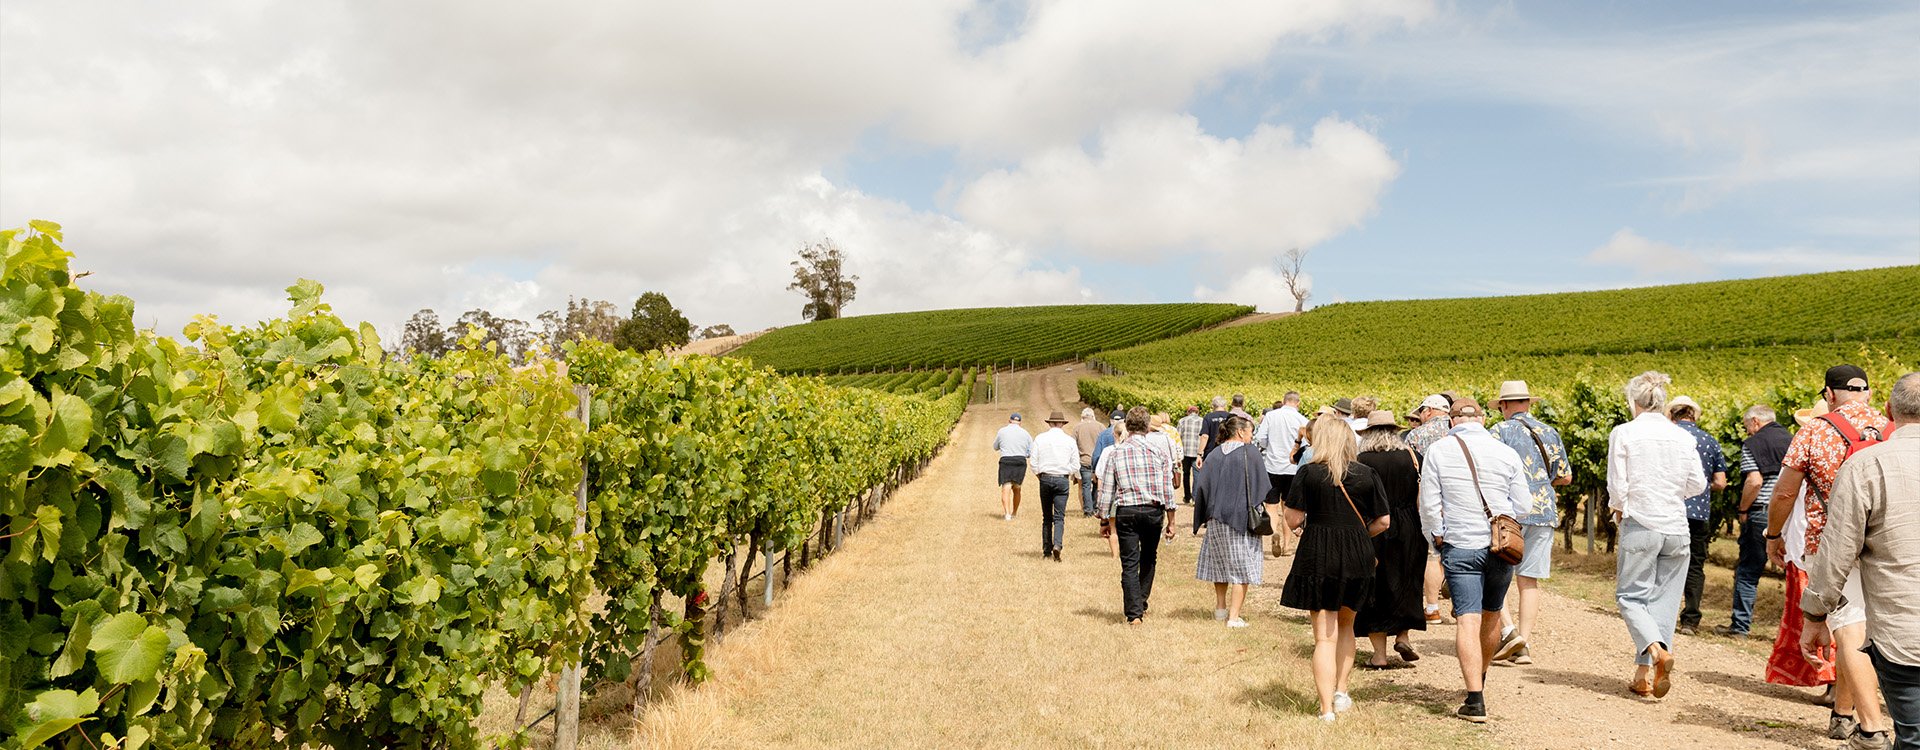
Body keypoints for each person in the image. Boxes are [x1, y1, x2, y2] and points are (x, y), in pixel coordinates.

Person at [1768, 365, 1894, 742]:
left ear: (1829, 394)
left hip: (1831, 544)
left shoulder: (1815, 429)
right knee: (1869, 627)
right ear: (1869, 393)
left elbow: (1786, 492)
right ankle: (1842, 713)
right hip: (1888, 543)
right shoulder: (1895, 430)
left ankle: (1871, 728)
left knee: (1849, 628)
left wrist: (1773, 534)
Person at [1801, 371, 1918, 750]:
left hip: (1903, 638)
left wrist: (1815, 616)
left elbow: (1836, 552)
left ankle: (1868, 726)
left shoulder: (1866, 465)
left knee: (1913, 734)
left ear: (1887, 409)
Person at [1420, 398, 1529, 722]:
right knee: (1493, 614)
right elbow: (1522, 505)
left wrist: (1436, 536)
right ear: (1482, 419)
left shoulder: (1439, 451)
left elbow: (1428, 503)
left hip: (1461, 544)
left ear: (1452, 421)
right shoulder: (1505, 452)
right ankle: (1479, 676)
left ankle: (1474, 698)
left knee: (1467, 619)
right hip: (1500, 547)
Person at [1606, 371, 1707, 700]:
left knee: (1631, 597)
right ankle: (1643, 675)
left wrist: (1620, 507)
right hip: (1677, 529)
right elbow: (1698, 485)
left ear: (1633, 402)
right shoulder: (1683, 437)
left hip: (1642, 522)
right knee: (1662, 603)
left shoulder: (1624, 433)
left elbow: (1617, 486)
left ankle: (1657, 652)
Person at [1283, 417, 1391, 722]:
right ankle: (1342, 691)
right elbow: (1384, 521)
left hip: (1319, 554)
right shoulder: (1367, 474)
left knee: (1324, 637)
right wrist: (1358, 535)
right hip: (1358, 556)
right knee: (1347, 626)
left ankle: (1326, 709)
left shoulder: (1309, 473)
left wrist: (1309, 526)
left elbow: (1292, 519)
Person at [1482, 380, 1572, 666]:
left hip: (1509, 512)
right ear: (1529, 403)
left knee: (1497, 574)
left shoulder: (1498, 431)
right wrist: (1541, 484)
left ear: (1505, 405)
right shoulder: (1549, 432)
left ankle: (1508, 633)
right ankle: (1524, 641)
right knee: (1529, 580)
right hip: (1543, 510)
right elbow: (1565, 476)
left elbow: (1489, 470)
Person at [1354, 411, 1428, 668]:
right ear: (1394, 432)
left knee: (1376, 585)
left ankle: (1379, 655)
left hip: (1375, 524)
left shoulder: (1361, 460)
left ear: (1368, 434)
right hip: (1410, 525)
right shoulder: (1412, 457)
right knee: (1407, 578)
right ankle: (1403, 635)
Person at [1097, 406, 1178, 625]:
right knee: (1149, 557)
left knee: (1129, 562)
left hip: (1127, 511)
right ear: (1147, 427)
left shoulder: (1116, 453)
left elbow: (1106, 491)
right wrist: (1171, 521)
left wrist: (1104, 519)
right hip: (1153, 510)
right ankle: (1140, 600)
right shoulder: (1159, 452)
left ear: (1128, 426)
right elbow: (1167, 490)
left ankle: (1134, 613)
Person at [1191, 415, 1271, 628]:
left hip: (1216, 518)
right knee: (1241, 568)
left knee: (1219, 564)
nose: (1251, 437)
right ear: (1241, 432)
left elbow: (1202, 488)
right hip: (1240, 519)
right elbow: (1262, 486)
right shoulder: (1250, 452)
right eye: (1251, 432)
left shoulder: (1214, 454)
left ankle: (1220, 609)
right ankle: (1234, 617)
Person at [1721, 404, 1789, 638]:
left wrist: (1743, 509)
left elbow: (1754, 482)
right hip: (1791, 514)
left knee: (1749, 570)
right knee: (1794, 573)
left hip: (1763, 512)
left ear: (1756, 422)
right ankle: (1789, 632)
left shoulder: (1753, 443)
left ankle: (1740, 626)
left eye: (1747, 426)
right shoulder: (1793, 439)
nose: (1747, 431)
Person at [1666, 396, 1730, 636]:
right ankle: (1690, 620)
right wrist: (1701, 487)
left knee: (1666, 562)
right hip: (1699, 513)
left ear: (1672, 415)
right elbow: (1721, 482)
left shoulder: (1669, 438)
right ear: (1694, 416)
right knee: (1695, 565)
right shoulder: (1709, 441)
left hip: (1670, 510)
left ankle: (1663, 614)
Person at [1406, 393, 1455, 625]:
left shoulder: (1416, 435)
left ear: (1428, 411)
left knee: (1432, 554)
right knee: (1460, 548)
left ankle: (1432, 608)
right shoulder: (1458, 430)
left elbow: (1410, 469)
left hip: (1429, 498)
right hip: (1460, 499)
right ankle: (1460, 605)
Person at [1254, 392, 1310, 556]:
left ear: (1284, 401)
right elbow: (1306, 443)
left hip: (1272, 466)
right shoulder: (1302, 419)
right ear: (1297, 403)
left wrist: (1271, 446)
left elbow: (1261, 438)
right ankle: (1286, 546)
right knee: (1288, 506)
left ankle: (1273, 531)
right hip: (1293, 469)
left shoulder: (1271, 416)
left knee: (1271, 505)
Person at [1030, 411, 1079, 561]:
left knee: (1047, 517)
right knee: (1059, 517)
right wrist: (1066, 473)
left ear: (1050, 423)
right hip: (1062, 479)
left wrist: (1040, 475)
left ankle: (1046, 550)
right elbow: (1075, 464)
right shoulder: (1069, 441)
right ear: (1062, 424)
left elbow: (1033, 463)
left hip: (1045, 478)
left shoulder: (1040, 438)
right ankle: (1057, 544)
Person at [993, 413, 1032, 521]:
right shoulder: (1025, 433)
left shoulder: (1002, 431)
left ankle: (1007, 514)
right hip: (1020, 461)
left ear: (1009, 421)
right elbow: (1030, 451)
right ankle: (1014, 512)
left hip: (1006, 461)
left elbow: (995, 447)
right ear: (1020, 423)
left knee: (1006, 487)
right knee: (1017, 488)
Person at [1073, 408, 1105, 518]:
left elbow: (1073, 445)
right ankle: (1095, 507)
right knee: (1097, 484)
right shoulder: (1101, 426)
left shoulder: (1077, 427)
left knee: (1086, 486)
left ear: (1082, 417)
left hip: (1084, 460)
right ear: (1093, 416)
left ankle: (1088, 510)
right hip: (1098, 461)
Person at [1177, 405, 1205, 502]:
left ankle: (1187, 496)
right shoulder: (1202, 421)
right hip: (1198, 452)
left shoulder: (1182, 421)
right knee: (1197, 474)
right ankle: (1195, 497)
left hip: (1185, 451)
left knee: (1186, 474)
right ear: (1197, 412)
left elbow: (1178, 437)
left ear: (1188, 412)